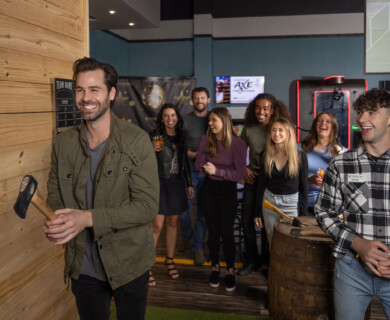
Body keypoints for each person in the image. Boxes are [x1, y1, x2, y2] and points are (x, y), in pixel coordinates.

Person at [43, 57, 159, 320]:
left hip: (129, 263)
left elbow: (147, 207)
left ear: (111, 94)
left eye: (94, 89)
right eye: (80, 89)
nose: (86, 97)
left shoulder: (137, 141)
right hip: (83, 266)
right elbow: (54, 192)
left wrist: (86, 218)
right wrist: (59, 220)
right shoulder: (63, 144)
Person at [315, 88, 390, 319]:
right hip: (351, 269)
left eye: (372, 113)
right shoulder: (341, 164)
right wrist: (357, 243)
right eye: (360, 112)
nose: (362, 119)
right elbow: (323, 212)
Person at [238, 93, 292, 276]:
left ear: (272, 110)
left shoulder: (278, 128)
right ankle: (252, 261)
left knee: (271, 223)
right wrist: (244, 168)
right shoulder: (248, 130)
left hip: (273, 183)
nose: (261, 111)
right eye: (258, 107)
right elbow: (237, 153)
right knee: (247, 221)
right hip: (253, 181)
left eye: (266, 108)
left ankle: (269, 261)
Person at [195, 107, 246, 291]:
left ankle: (230, 271)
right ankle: (215, 268)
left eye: (213, 120)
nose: (210, 123)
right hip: (209, 190)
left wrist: (218, 171)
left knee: (226, 232)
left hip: (227, 192)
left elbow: (239, 174)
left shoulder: (238, 144)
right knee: (213, 232)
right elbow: (198, 163)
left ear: (224, 121)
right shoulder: (205, 140)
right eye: (209, 120)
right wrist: (205, 167)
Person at [149, 103, 194, 286]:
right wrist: (152, 150)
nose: (170, 119)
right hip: (160, 182)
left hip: (177, 183)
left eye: (173, 115)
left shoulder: (183, 136)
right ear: (162, 118)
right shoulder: (155, 135)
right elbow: (148, 160)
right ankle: (147, 267)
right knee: (156, 226)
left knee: (173, 223)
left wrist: (189, 184)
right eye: (166, 116)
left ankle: (170, 260)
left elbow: (185, 163)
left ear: (177, 117)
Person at [254, 117, 308, 246]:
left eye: (280, 130)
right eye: (273, 130)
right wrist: (257, 212)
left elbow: (304, 188)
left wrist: (303, 215)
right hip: (269, 203)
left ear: (288, 132)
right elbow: (261, 184)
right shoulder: (265, 154)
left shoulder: (300, 156)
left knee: (293, 243)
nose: (276, 134)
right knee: (273, 242)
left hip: (291, 204)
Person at [180, 87, 209, 265]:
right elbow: (179, 146)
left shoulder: (215, 118)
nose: (200, 101)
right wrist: (193, 155)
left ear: (208, 99)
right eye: (196, 98)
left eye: (203, 98)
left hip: (209, 173)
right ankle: (188, 237)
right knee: (184, 212)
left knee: (203, 214)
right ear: (192, 100)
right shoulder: (185, 121)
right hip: (189, 172)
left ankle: (197, 247)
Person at [300, 112, 344, 215]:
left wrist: (338, 150)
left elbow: (348, 176)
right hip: (305, 204)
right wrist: (308, 179)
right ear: (315, 125)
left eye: (328, 121)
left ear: (333, 127)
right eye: (320, 121)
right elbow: (291, 175)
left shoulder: (340, 151)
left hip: (331, 206)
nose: (323, 123)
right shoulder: (301, 148)